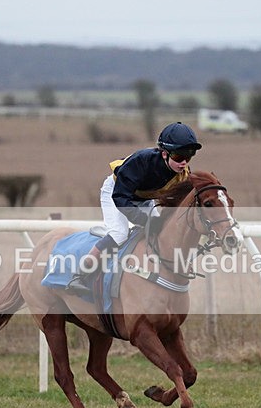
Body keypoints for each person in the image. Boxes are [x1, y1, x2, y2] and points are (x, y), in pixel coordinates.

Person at [67, 122, 202, 294]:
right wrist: (144, 220)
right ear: (164, 154)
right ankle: (80, 275)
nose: (183, 163)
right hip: (116, 192)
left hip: (145, 197)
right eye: (178, 157)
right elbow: (121, 197)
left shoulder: (183, 175)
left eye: (188, 157)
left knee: (160, 231)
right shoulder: (141, 161)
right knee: (119, 234)